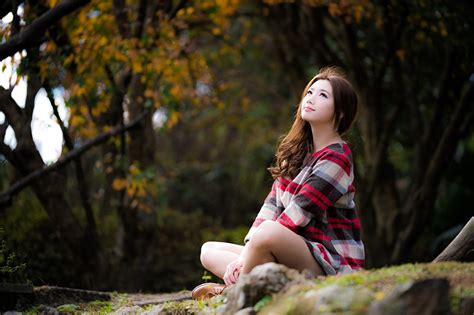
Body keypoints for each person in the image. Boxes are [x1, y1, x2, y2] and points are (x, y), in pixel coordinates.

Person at [192, 66, 365, 300]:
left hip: (329, 264)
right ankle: (250, 280)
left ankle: (233, 292)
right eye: (310, 92)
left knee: (269, 232)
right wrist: (248, 254)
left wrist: (249, 254)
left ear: (341, 112)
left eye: (322, 95)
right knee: (208, 250)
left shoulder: (337, 157)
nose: (311, 99)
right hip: (288, 251)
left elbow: (299, 212)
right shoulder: (297, 154)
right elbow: (271, 207)